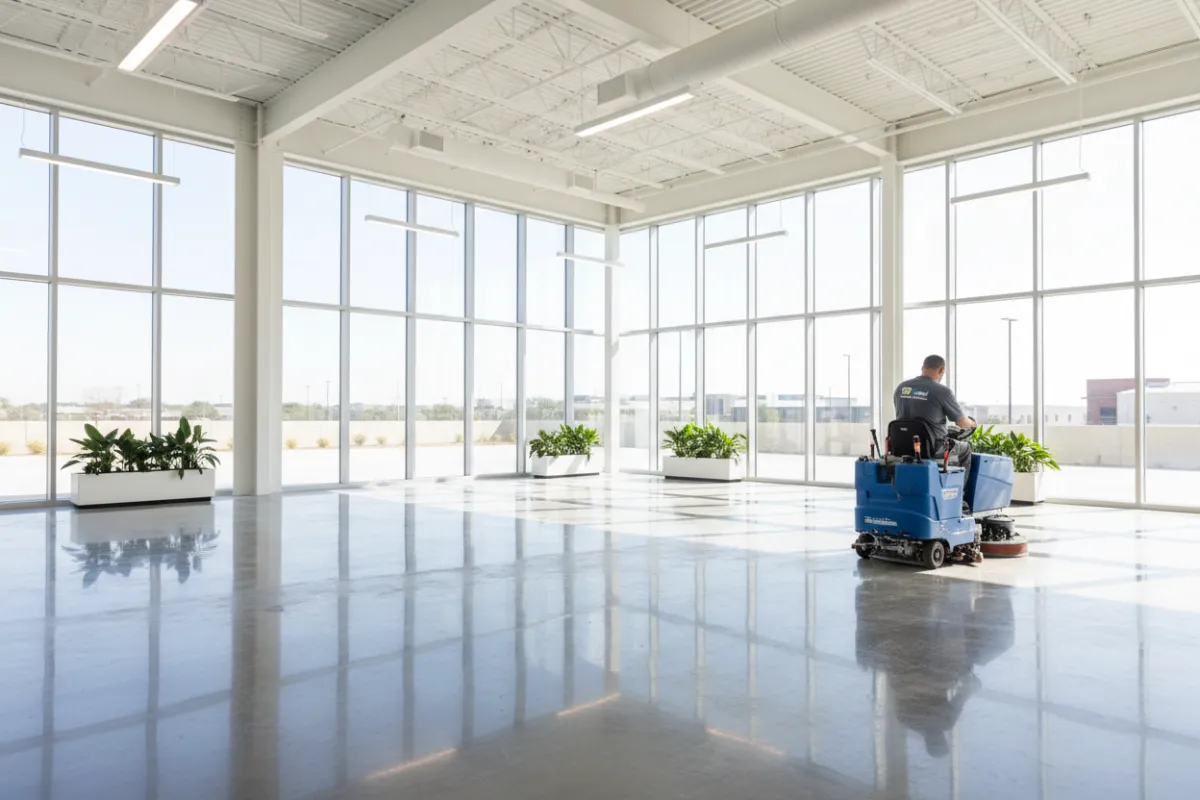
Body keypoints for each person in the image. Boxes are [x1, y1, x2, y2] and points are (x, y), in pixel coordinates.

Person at [894, 355, 976, 466]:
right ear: (942, 370)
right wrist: (972, 423)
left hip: (903, 446)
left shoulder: (901, 388)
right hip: (934, 447)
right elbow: (962, 423)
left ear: (923, 368)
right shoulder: (943, 391)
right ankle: (962, 484)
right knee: (965, 448)